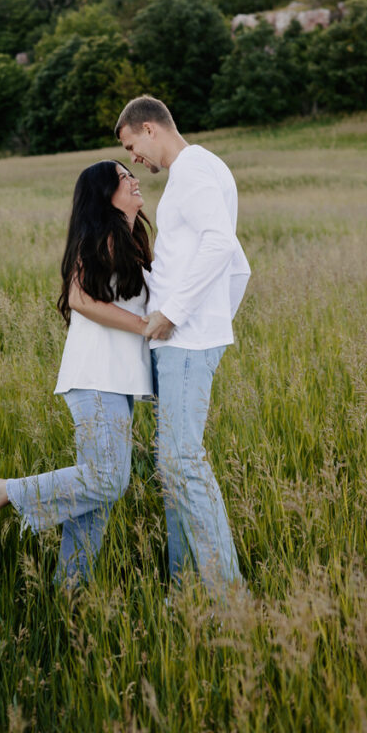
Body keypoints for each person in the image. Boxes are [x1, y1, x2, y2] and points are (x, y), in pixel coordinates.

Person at [0, 160, 156, 586]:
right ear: (105, 195)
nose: (135, 180)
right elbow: (80, 298)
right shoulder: (103, 237)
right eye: (124, 178)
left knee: (95, 495)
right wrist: (145, 326)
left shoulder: (128, 240)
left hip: (114, 383)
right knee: (107, 481)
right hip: (96, 378)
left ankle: (70, 590)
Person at [115, 95, 251, 594]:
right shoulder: (202, 168)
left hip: (187, 343)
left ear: (150, 128)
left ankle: (229, 597)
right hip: (190, 341)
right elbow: (240, 265)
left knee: (181, 464)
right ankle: (184, 591)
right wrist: (212, 320)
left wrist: (177, 315)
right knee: (173, 467)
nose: (134, 159)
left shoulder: (192, 170)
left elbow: (221, 244)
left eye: (132, 146)